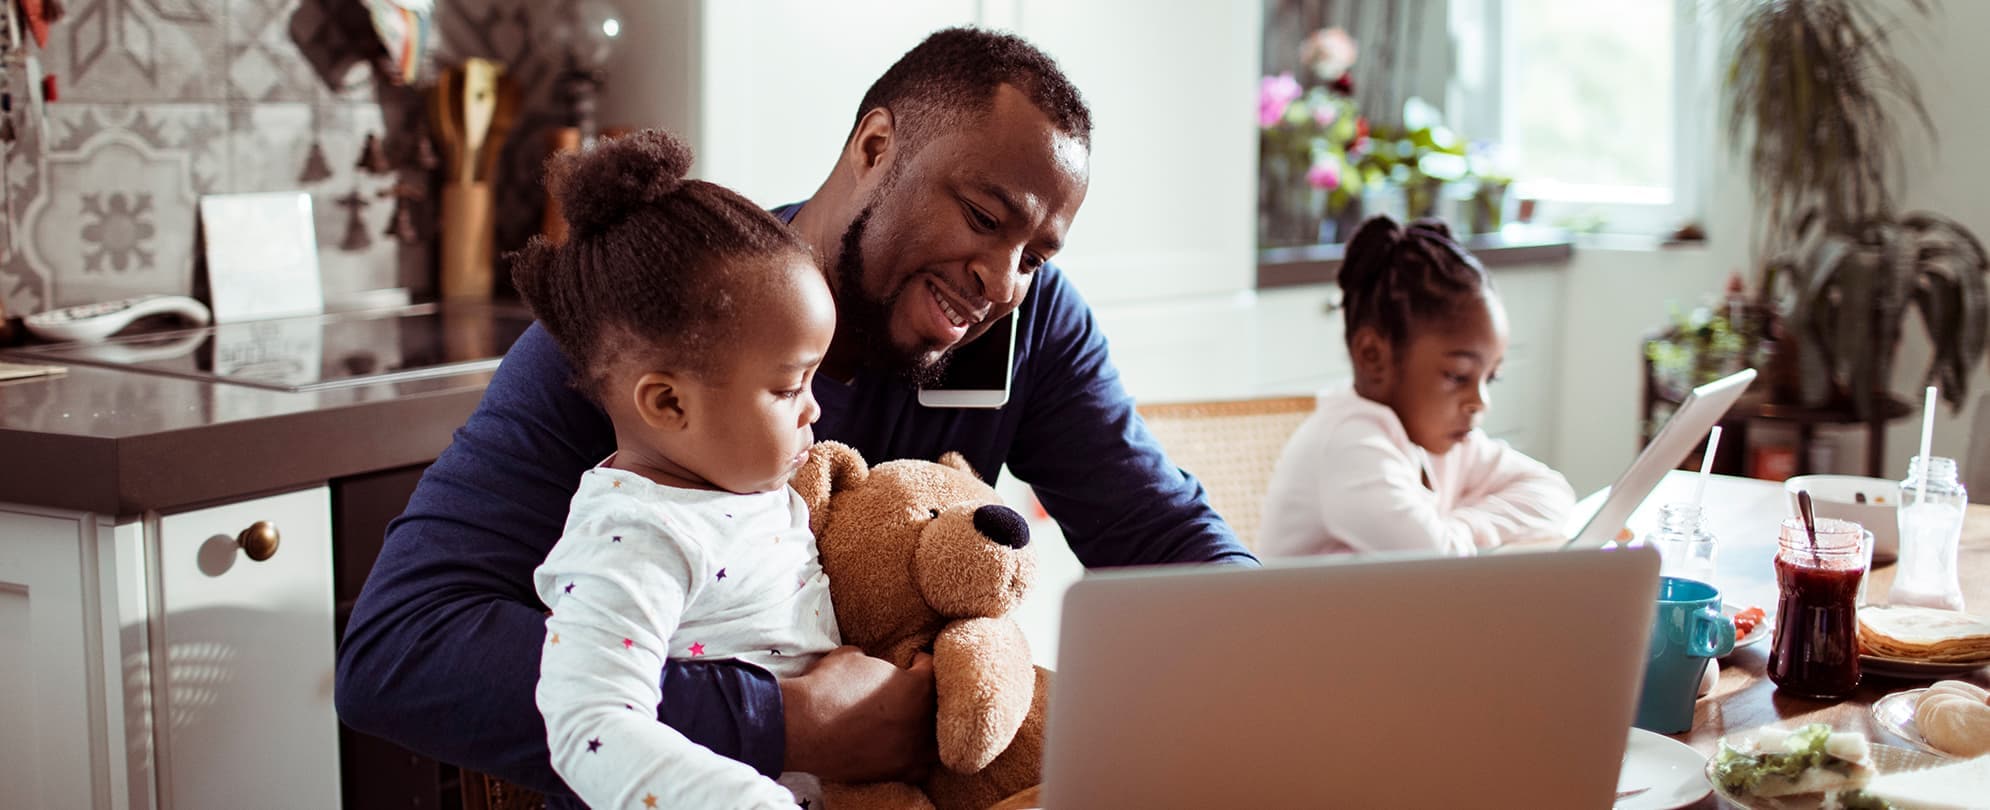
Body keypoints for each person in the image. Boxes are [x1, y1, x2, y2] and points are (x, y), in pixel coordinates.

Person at [335, 26, 1257, 804]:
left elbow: (1159, 533)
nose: (1002, 280)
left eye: (1037, 256)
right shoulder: (660, 334)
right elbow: (399, 653)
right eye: (983, 214)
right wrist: (782, 722)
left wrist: (1291, 647)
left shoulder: (1031, 330)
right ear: (874, 148)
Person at [518, 131, 838, 808]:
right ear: (668, 402)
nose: (814, 408)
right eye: (788, 389)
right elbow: (591, 724)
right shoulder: (632, 535)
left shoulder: (753, 490)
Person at [1258, 216, 1574, 557]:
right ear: (1373, 355)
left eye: (1490, 378)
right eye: (1457, 376)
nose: (1479, 402)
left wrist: (1463, 527)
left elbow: (1552, 493)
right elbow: (1436, 559)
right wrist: (1457, 534)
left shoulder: (1443, 440)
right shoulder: (1349, 443)